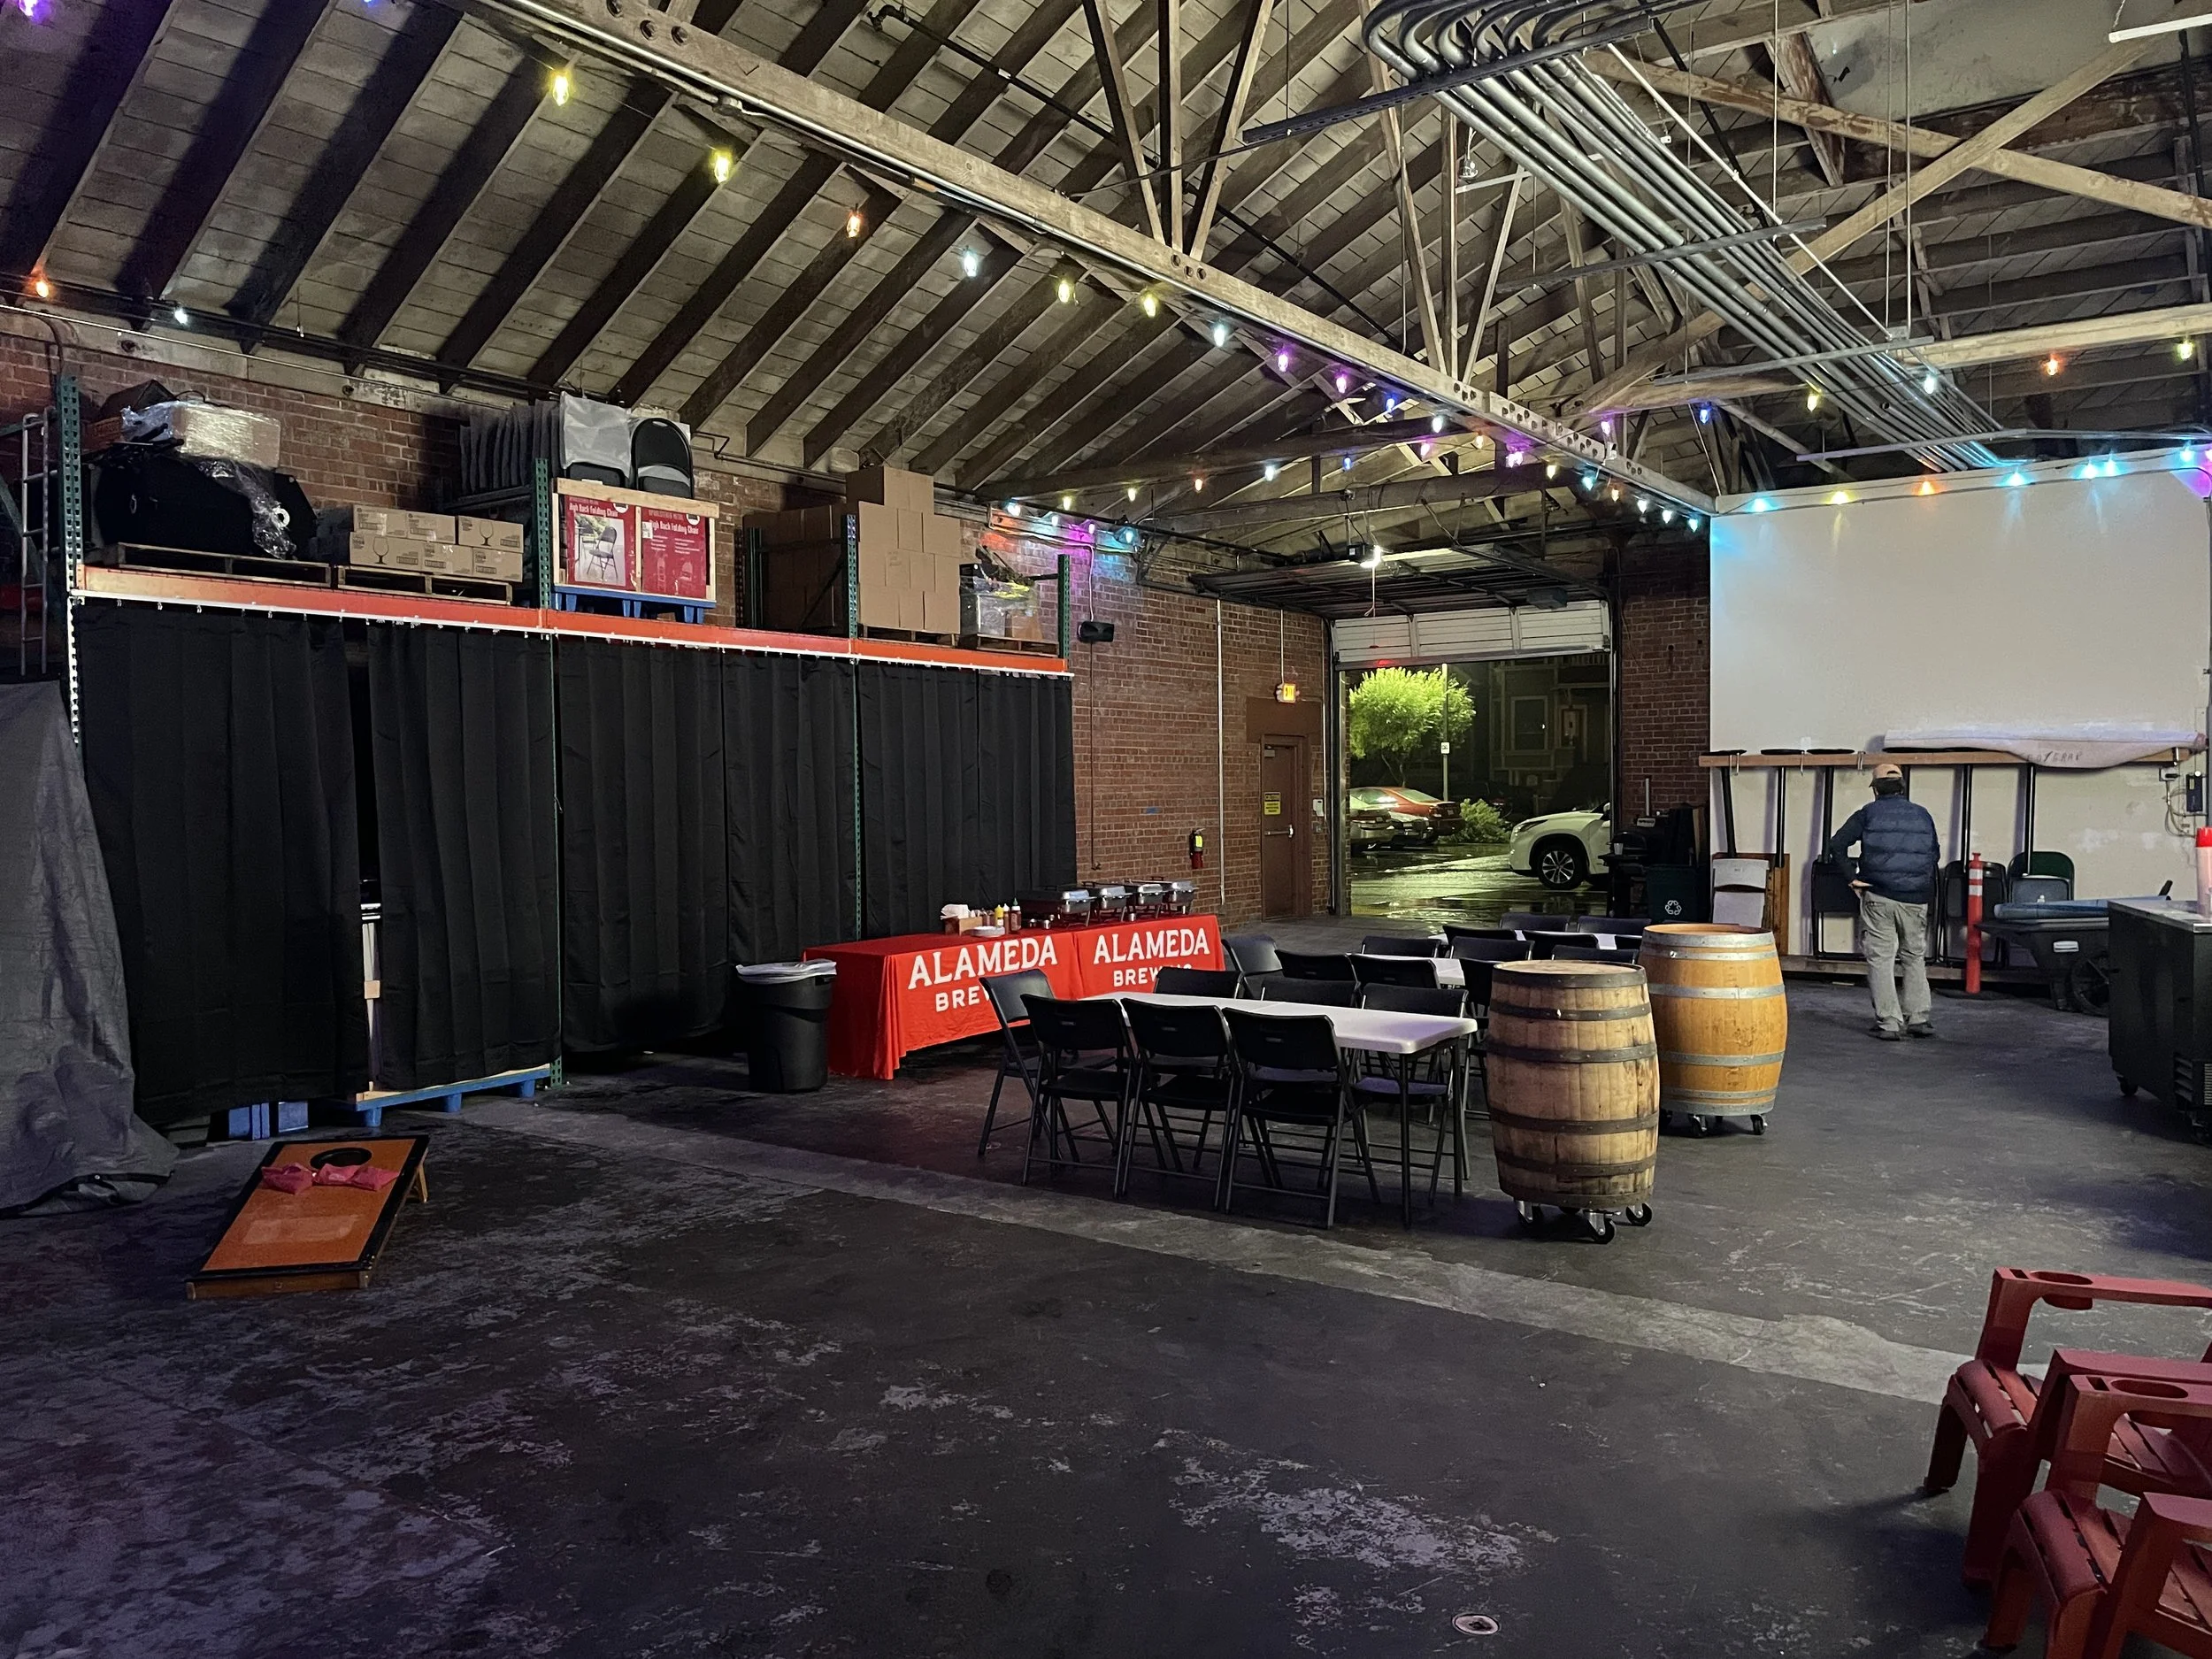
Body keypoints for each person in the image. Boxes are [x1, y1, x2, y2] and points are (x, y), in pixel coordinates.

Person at [1823, 763, 1940, 1041]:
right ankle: (1919, 1019)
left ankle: (1889, 1022)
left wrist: (1853, 877)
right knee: (1914, 957)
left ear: (1875, 790)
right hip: (1916, 898)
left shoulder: (1868, 814)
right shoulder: (1922, 815)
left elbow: (1837, 844)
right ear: (1902, 787)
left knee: (1881, 959)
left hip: (1879, 896)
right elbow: (1933, 854)